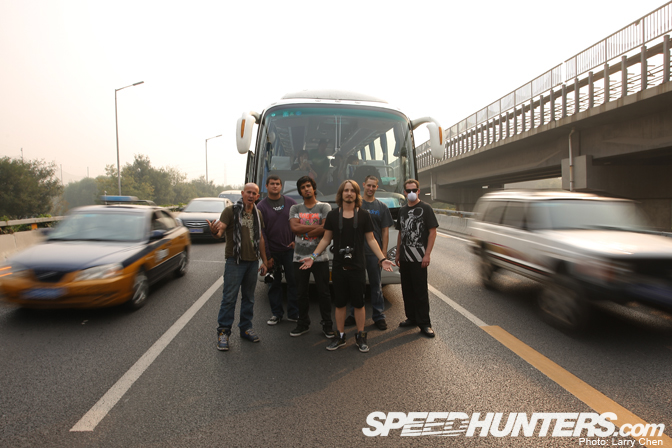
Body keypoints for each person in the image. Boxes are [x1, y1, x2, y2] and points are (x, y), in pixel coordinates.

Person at [299, 180, 394, 353]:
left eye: (352, 191)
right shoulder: (333, 215)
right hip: (339, 266)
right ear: (341, 194)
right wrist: (312, 257)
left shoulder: (364, 215)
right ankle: (340, 336)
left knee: (359, 304)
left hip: (358, 266)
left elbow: (371, 239)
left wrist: (382, 258)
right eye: (346, 190)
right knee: (340, 303)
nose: (349, 193)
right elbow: (326, 239)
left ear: (356, 194)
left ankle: (360, 335)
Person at [208, 183, 270, 351]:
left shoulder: (257, 213)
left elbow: (261, 238)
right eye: (248, 192)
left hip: (252, 262)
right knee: (229, 298)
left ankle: (246, 328)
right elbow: (220, 231)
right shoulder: (230, 211)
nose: (251, 195)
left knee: (249, 298)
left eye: (254, 193)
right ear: (242, 193)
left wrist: (264, 261)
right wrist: (214, 231)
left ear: (258, 196)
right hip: (235, 261)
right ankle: (223, 332)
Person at [344, 175, 394, 330]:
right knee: (356, 286)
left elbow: (385, 231)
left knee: (376, 286)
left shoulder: (382, 207)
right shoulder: (355, 204)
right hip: (357, 253)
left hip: (374, 253)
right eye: (368, 185)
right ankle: (354, 314)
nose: (371, 188)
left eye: (374, 186)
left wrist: (383, 254)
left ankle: (379, 316)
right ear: (363, 185)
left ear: (377, 187)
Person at [288, 176, 334, 338]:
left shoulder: (324, 206)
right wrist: (317, 227)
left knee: (324, 293)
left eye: (308, 186)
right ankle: (303, 324)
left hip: (320, 257)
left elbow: (326, 227)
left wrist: (305, 231)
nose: (306, 189)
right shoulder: (295, 208)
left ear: (314, 188)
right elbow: (294, 228)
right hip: (299, 257)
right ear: (300, 191)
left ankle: (327, 325)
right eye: (302, 187)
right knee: (301, 293)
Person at [394, 179, 439, 338]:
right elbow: (401, 233)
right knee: (407, 289)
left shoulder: (426, 209)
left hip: (419, 258)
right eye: (408, 190)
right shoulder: (402, 210)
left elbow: (432, 232)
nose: (411, 193)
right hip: (405, 257)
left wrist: (427, 254)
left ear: (418, 191)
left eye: (414, 190)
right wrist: (398, 253)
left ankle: (425, 323)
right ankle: (411, 318)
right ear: (404, 192)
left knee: (420, 291)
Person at [257, 175, 299, 325]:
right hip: (272, 252)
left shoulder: (291, 203)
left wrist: (296, 241)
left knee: (293, 282)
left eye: (277, 184)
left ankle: (293, 314)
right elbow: (261, 233)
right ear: (266, 186)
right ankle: (276, 314)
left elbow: (299, 223)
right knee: (274, 284)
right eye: (272, 184)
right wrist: (267, 257)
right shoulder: (261, 207)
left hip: (290, 251)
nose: (275, 186)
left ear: (281, 186)